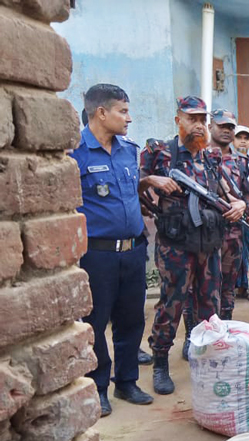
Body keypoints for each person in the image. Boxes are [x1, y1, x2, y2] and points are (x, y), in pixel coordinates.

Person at [139, 96, 245, 395]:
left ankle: (205, 358)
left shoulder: (210, 157)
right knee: (171, 305)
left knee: (209, 306)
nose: (198, 125)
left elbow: (229, 191)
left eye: (202, 120)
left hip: (208, 244)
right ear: (178, 120)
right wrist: (152, 181)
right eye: (192, 119)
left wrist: (237, 204)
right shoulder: (160, 152)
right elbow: (133, 184)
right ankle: (161, 362)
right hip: (175, 244)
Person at [71, 83, 152, 416]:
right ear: (101, 113)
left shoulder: (127, 149)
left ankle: (127, 381)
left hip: (133, 250)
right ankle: (99, 385)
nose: (129, 118)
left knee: (132, 320)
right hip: (97, 253)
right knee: (96, 321)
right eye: (123, 111)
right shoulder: (74, 152)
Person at [206, 109, 249, 321]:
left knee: (228, 286)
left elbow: (247, 193)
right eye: (221, 126)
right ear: (210, 127)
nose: (226, 131)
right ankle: (195, 335)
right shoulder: (198, 157)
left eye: (230, 128)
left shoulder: (240, 162)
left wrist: (245, 207)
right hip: (204, 233)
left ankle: (225, 328)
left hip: (233, 234)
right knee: (200, 287)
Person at [233, 124, 249, 298]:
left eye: (246, 139)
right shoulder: (228, 162)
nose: (242, 142)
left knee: (245, 248)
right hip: (231, 213)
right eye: (239, 138)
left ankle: (242, 285)